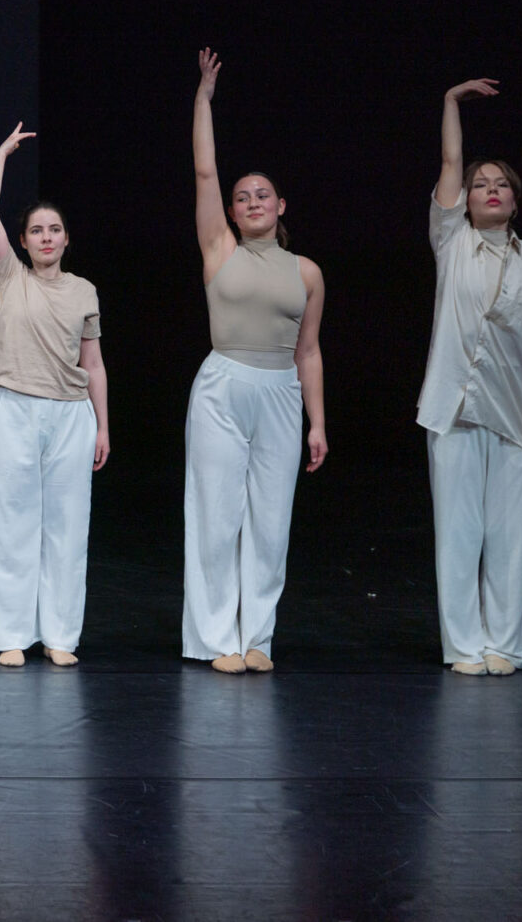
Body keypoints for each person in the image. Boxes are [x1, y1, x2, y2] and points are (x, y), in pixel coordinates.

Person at [417, 78, 522, 676]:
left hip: (513, 408)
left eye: (499, 183)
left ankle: (504, 643)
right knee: (459, 534)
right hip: (454, 405)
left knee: (511, 539)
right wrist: (450, 102)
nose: (488, 190)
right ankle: (463, 646)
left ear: (515, 198)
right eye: (481, 185)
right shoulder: (451, 241)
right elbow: (451, 160)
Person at [184, 49, 327, 675]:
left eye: (262, 194)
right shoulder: (219, 249)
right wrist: (204, 99)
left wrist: (317, 422)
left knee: (270, 520)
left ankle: (257, 637)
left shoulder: (307, 272)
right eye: (242, 197)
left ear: (281, 205)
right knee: (217, 514)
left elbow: (309, 351)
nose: (250, 201)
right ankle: (218, 638)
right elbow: (206, 173)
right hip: (222, 384)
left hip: (280, 391)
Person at [0, 122, 109, 668]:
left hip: (71, 415)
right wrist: (2, 153)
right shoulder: (10, 277)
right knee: (9, 521)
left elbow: (94, 365)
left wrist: (103, 425)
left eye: (55, 230)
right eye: (37, 231)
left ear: (66, 238)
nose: (46, 237)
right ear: (23, 241)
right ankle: (9, 632)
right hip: (14, 408)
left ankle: (58, 634)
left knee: (67, 526)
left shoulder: (84, 291)